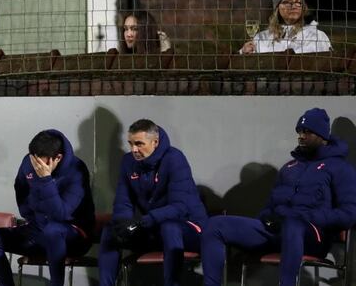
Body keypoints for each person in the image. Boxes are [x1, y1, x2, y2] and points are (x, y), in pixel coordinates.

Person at [201, 108, 356, 286]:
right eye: (299, 131)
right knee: (216, 224)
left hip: (312, 235)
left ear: (322, 136)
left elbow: (349, 214)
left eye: (307, 132)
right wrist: (267, 218)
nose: (301, 136)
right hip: (278, 231)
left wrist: (306, 217)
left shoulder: (340, 168)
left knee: (293, 224)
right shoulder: (290, 167)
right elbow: (271, 204)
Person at [98, 119, 207, 286]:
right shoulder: (128, 162)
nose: (134, 149)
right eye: (131, 143)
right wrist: (124, 223)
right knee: (111, 230)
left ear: (155, 142)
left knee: (169, 227)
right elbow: (123, 201)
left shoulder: (174, 159)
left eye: (139, 144)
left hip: (188, 228)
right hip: (152, 228)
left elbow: (179, 208)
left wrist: (142, 221)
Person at [0, 129, 95, 286]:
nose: (34, 167)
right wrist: (31, 215)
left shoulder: (77, 170)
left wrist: (46, 180)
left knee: (53, 230)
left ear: (57, 158)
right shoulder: (29, 162)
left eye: (39, 164)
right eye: (33, 161)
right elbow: (20, 189)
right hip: (39, 230)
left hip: (72, 236)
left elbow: (60, 214)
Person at [240, 0, 332, 54]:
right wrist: (243, 52)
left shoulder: (316, 36)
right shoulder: (262, 38)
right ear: (277, 9)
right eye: (287, 2)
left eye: (298, 2)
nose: (294, 6)